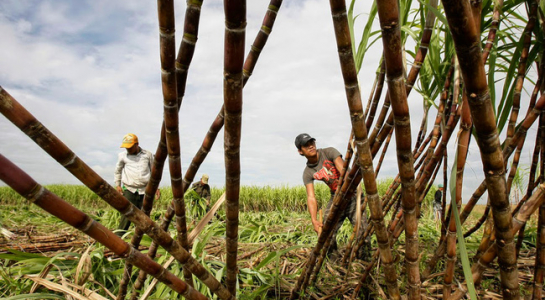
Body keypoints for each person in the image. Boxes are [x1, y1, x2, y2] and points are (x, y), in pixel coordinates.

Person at [295, 133, 366, 256]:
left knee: (362, 231)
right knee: (326, 232)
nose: (311, 146)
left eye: (312, 143)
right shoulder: (308, 172)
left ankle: (364, 260)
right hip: (335, 196)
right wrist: (314, 220)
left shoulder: (329, 152)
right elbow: (311, 197)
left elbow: (343, 172)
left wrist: (346, 190)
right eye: (306, 146)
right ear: (300, 151)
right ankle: (334, 260)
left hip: (352, 192)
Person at [114, 133, 160, 237]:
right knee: (127, 215)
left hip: (145, 190)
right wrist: (118, 185)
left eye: (130, 147)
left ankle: (140, 239)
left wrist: (156, 187)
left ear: (137, 144)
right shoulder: (122, 156)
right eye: (126, 148)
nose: (128, 150)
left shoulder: (147, 155)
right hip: (129, 189)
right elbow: (118, 171)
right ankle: (119, 238)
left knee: (144, 216)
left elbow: (154, 172)